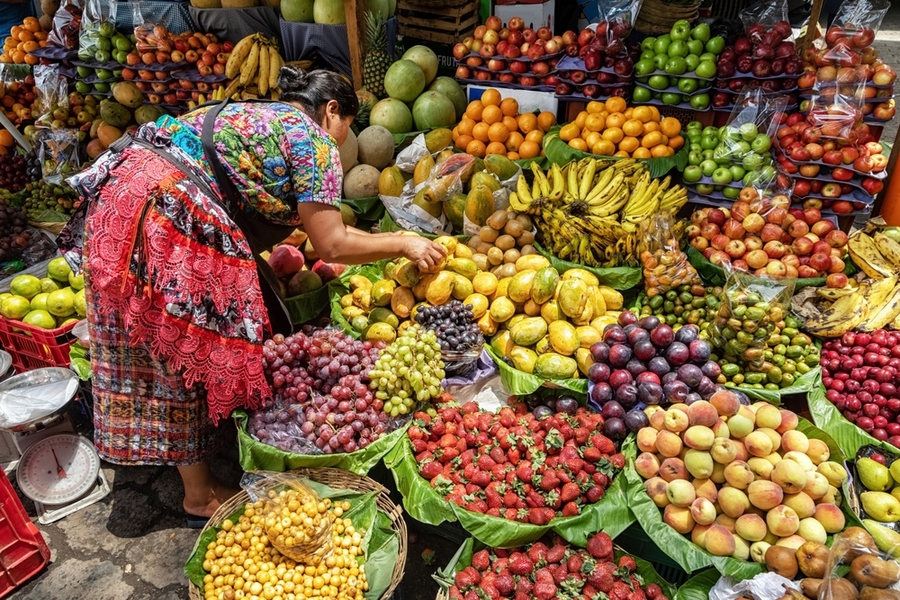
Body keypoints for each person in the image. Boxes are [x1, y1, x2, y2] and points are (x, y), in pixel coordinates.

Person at [60, 67, 446, 524]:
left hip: (123, 198)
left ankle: (173, 451)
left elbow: (323, 227)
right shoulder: (315, 140)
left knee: (149, 345)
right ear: (332, 110)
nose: (347, 139)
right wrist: (403, 242)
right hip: (167, 217)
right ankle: (198, 494)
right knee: (186, 348)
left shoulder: (259, 116)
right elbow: (332, 246)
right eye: (348, 127)